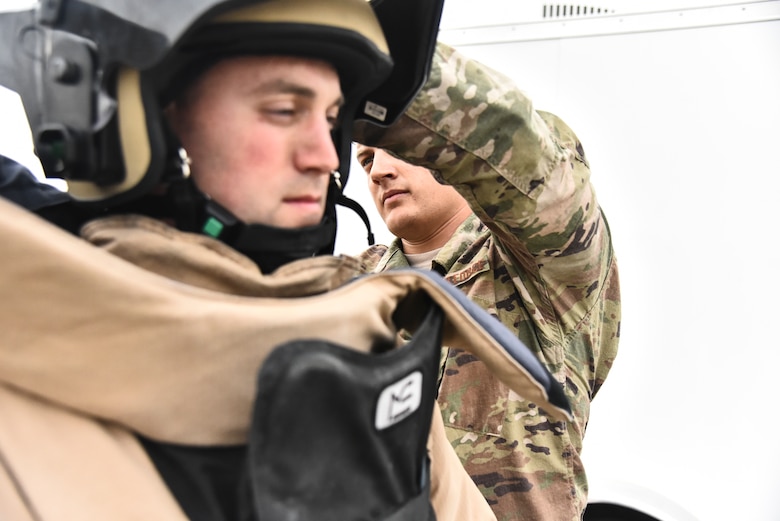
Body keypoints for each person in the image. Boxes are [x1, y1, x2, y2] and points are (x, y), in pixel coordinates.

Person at [0, 1, 574, 520]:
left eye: (332, 119)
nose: (330, 157)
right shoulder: (370, 296)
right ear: (148, 121)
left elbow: (531, 163)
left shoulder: (381, 344)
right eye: (282, 110)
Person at [353, 41, 621, 521]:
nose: (381, 170)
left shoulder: (537, 268)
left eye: (397, 149)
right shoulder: (353, 284)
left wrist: (389, 70)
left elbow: (533, 162)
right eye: (367, 159)